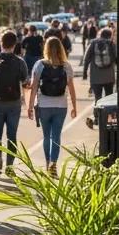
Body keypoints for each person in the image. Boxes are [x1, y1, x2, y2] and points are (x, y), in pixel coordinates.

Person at [0, 30, 28, 179]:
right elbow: (25, 81)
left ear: (0, 43)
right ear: (15, 44)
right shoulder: (20, 62)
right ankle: (9, 165)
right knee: (11, 136)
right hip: (14, 103)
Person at [28, 36, 77, 175]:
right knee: (56, 136)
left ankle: (48, 163)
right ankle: (54, 165)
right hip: (61, 106)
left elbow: (34, 87)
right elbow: (71, 88)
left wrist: (30, 106)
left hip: (44, 105)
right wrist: (74, 106)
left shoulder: (40, 65)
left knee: (46, 136)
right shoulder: (66, 66)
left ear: (46, 49)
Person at [82, 26, 116, 105]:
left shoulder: (93, 43)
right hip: (109, 77)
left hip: (95, 77)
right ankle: (108, 112)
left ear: (100, 34)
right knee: (109, 98)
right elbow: (117, 58)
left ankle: (98, 112)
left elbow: (86, 59)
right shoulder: (111, 44)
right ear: (110, 35)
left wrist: (84, 72)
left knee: (98, 98)